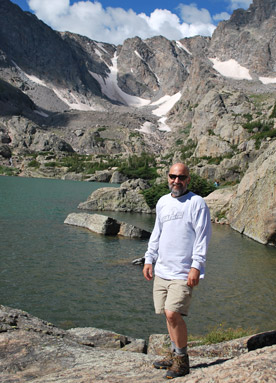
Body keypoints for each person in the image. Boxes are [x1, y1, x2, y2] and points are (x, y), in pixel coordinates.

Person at [143, 163, 211, 379]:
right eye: (173, 176)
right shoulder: (163, 202)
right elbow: (157, 232)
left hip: (183, 272)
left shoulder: (196, 203)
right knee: (167, 314)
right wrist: (149, 258)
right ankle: (174, 354)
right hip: (162, 269)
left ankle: (182, 361)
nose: (176, 181)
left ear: (188, 179)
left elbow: (203, 237)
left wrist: (196, 266)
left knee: (173, 313)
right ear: (167, 177)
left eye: (181, 177)